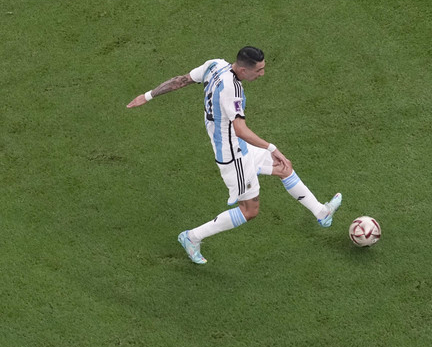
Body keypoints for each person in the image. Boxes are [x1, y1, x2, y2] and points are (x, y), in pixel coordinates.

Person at [127, 46, 341, 265]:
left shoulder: (214, 65)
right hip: (234, 155)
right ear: (244, 70)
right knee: (249, 211)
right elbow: (241, 130)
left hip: (238, 146)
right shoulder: (233, 91)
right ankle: (192, 237)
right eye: (259, 70)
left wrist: (148, 95)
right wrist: (272, 147)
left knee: (284, 167)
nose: (262, 74)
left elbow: (182, 80)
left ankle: (321, 213)